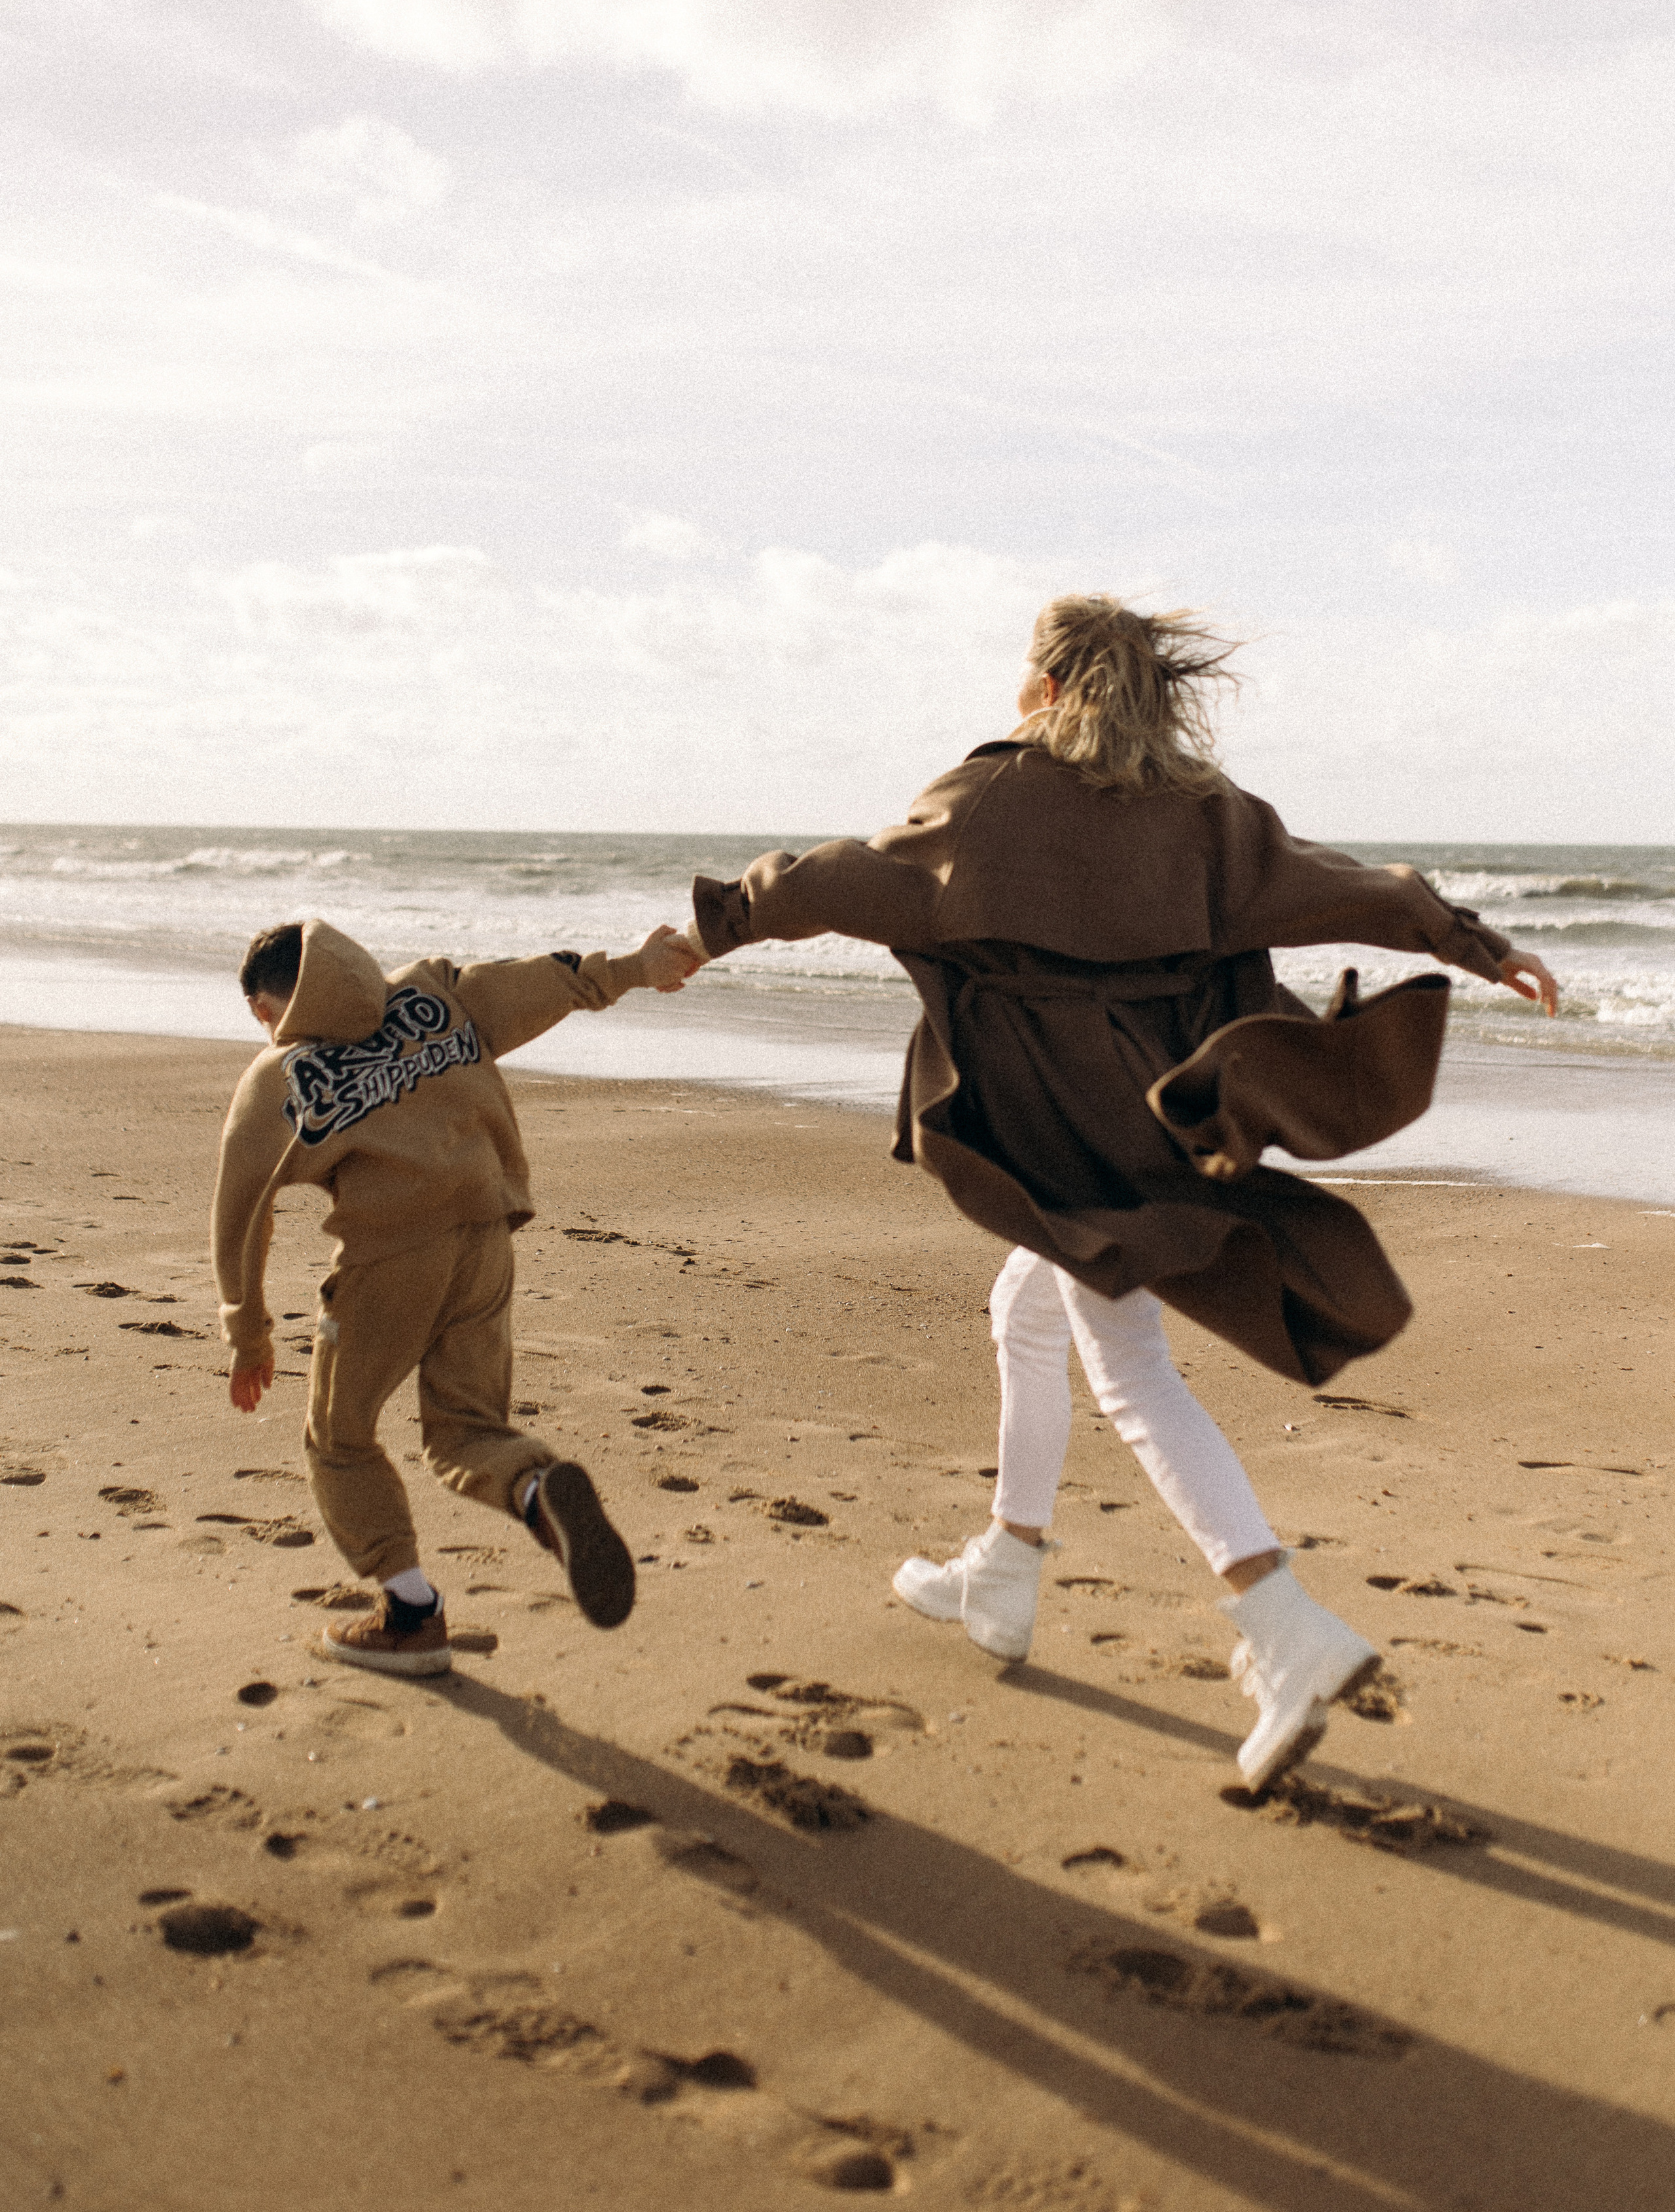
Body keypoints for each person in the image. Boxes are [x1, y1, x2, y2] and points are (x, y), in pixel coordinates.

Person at [683, 595, 1559, 1790]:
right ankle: (1007, 1563)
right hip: (1164, 1122)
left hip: (1054, 1136)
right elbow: (1347, 888)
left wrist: (724, 923)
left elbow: (846, 879)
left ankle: (1282, 1624)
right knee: (1024, 1312)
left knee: (1130, 1363)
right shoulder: (1209, 817)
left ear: (1046, 689)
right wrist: (1472, 943)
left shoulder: (987, 800)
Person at [213, 915, 697, 1677]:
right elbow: (548, 980)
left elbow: (242, 1213)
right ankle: (537, 1489)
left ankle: (411, 1616)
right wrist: (637, 965)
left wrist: (247, 1331)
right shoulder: (432, 989)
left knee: (339, 1440)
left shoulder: (277, 1078)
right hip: (487, 1236)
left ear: (267, 1005)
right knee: (466, 1429)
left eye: (263, 1015)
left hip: (388, 1263)